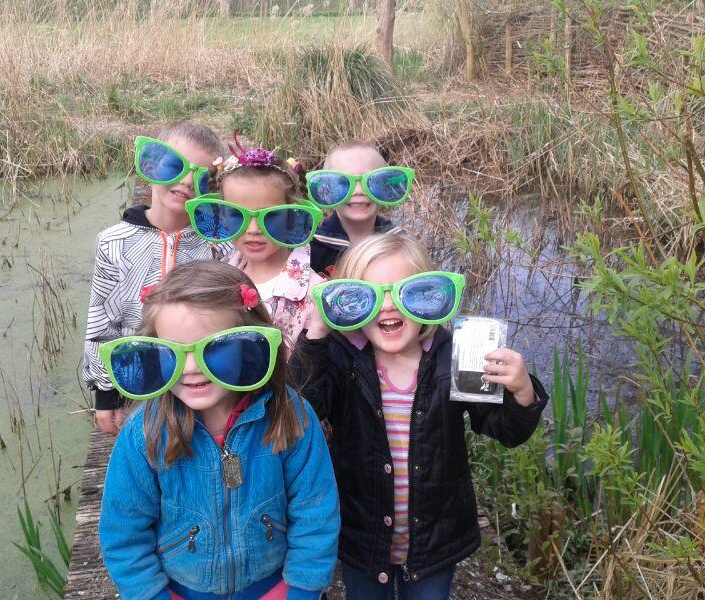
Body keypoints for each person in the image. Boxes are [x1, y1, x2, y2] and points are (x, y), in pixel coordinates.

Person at [290, 234, 549, 600]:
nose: (389, 306)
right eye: (369, 296)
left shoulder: (454, 356)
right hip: (361, 532)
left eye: (408, 292)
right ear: (348, 305)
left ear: (431, 298)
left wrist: (522, 391)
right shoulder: (340, 357)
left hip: (434, 539)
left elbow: (504, 430)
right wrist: (315, 334)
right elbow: (301, 409)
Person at [98, 260, 340, 600]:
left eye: (216, 348)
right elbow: (124, 534)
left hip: (275, 588)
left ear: (252, 344)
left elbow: (316, 512)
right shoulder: (144, 434)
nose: (193, 369)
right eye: (174, 353)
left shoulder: (291, 416)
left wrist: (301, 588)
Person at [83, 121, 230, 434]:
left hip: (203, 379)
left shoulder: (219, 245)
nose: (187, 181)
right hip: (140, 382)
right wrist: (105, 393)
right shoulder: (113, 241)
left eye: (201, 176)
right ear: (150, 166)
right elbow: (102, 319)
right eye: (174, 167)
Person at [185, 143, 324, 347]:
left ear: (292, 217)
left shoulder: (315, 295)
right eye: (237, 214)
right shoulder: (217, 281)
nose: (253, 229)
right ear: (222, 216)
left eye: (270, 216)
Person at [306, 141, 406, 276]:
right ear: (327, 191)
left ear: (384, 187)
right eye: (343, 183)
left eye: (371, 181)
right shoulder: (311, 248)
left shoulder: (400, 243)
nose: (359, 190)